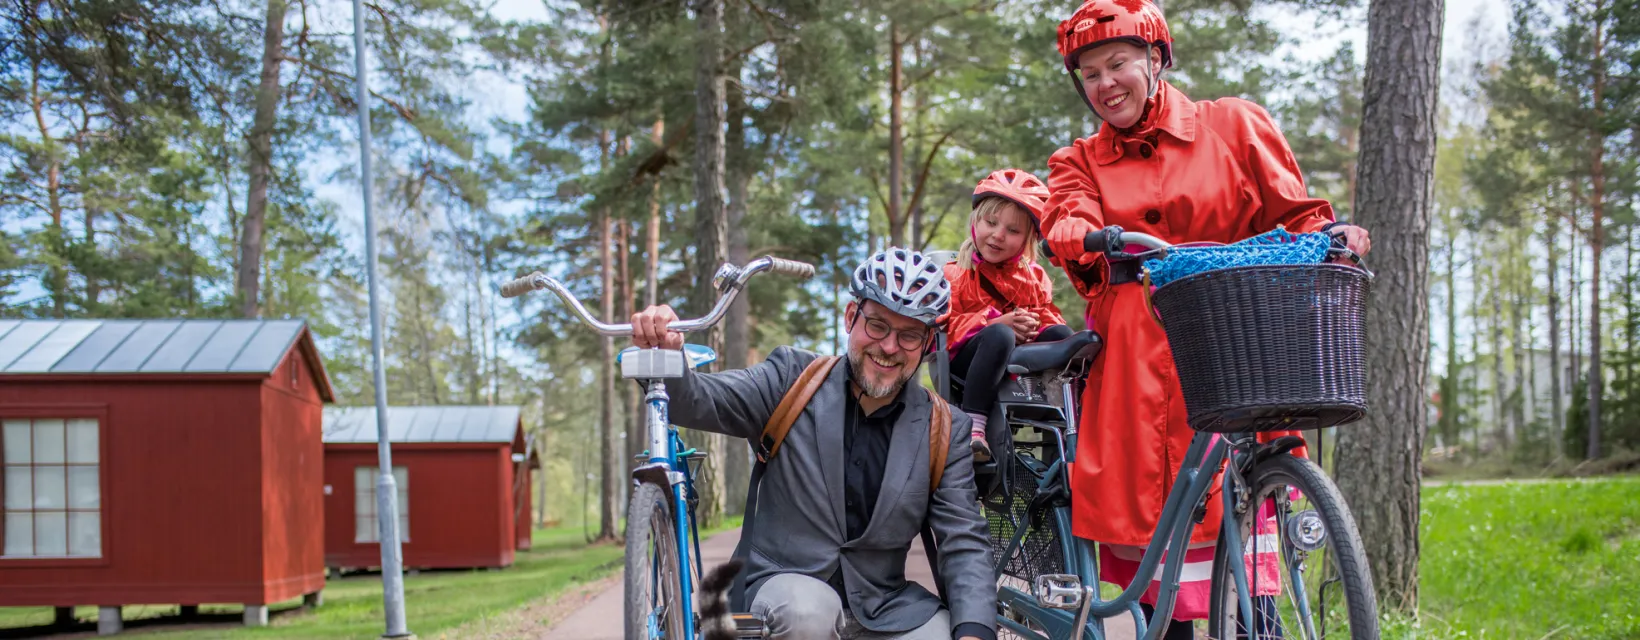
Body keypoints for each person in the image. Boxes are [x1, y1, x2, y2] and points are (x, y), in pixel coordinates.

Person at [1039, 0, 1373, 636]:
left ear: (1156, 59)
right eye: (1090, 74)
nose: (1105, 84)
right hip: (1139, 363)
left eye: (1118, 64)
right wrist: (1091, 236)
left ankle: (1258, 622)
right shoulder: (1078, 161)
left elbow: (1296, 212)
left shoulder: (1235, 124)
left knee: (1246, 529)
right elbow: (1064, 218)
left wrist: (1332, 234)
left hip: (1239, 339)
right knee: (1159, 551)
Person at [630, 248, 996, 640]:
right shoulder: (792, 379)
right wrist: (668, 356)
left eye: (909, 335)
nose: (889, 347)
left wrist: (974, 629)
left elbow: (964, 540)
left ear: (928, 344)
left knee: (941, 634)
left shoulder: (945, 427)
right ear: (850, 318)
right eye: (876, 325)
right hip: (783, 590)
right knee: (809, 612)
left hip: (883, 606)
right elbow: (699, 400)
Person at [941, 169, 1072, 463]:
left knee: (1061, 336)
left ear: (1028, 239)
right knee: (1000, 335)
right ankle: (974, 427)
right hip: (967, 363)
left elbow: (1047, 314)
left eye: (1013, 231)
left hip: (1017, 361)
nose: (998, 235)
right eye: (991, 222)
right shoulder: (956, 274)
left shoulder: (1032, 278)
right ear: (976, 221)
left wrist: (1033, 325)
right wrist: (993, 322)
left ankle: (1068, 414)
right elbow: (943, 329)